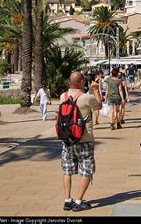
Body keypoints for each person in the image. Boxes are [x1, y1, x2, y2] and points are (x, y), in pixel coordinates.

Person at [60, 72, 102, 212]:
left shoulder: (63, 96)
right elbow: (99, 106)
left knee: (68, 170)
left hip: (68, 140)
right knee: (86, 170)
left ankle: (67, 200)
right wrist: (96, 89)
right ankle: (78, 202)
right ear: (81, 82)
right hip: (84, 139)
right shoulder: (85, 98)